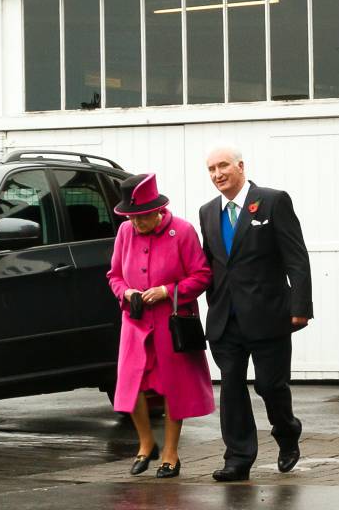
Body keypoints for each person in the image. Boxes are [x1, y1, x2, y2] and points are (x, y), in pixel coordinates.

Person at [198, 145, 313, 482]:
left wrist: (301, 307)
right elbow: (210, 264)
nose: (217, 174)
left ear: (240, 166)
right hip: (226, 318)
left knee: (269, 385)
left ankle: (287, 431)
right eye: (211, 169)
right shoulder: (206, 212)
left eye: (223, 166)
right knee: (231, 387)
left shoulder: (273, 201)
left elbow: (296, 257)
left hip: (268, 314)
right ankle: (238, 458)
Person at [107, 173, 214, 479]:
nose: (136, 224)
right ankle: (145, 443)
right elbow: (114, 275)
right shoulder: (126, 232)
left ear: (157, 210)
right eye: (131, 217)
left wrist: (167, 291)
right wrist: (126, 292)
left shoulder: (181, 231)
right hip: (136, 322)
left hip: (171, 321)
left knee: (172, 387)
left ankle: (171, 453)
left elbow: (202, 274)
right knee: (129, 387)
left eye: (141, 217)